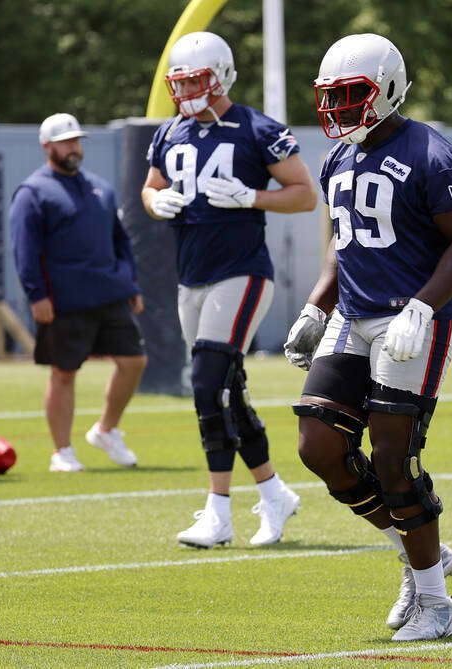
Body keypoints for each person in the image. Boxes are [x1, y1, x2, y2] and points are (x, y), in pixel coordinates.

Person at [285, 34, 452, 641]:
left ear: (390, 89)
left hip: (411, 322)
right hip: (353, 314)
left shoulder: (431, 153)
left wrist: (424, 307)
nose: (340, 110)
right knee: (318, 445)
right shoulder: (337, 159)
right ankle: (418, 548)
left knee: (393, 458)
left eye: (352, 95)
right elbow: (344, 241)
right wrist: (316, 305)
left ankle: (436, 604)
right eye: (332, 98)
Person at [141, 32, 317, 547]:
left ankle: (218, 512)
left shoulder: (257, 129)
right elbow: (150, 187)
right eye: (181, 82)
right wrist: (155, 204)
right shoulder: (169, 133)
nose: (188, 90)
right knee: (227, 390)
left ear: (221, 76)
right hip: (190, 276)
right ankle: (273, 494)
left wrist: (250, 197)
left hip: (241, 272)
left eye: (197, 79)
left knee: (205, 384)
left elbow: (305, 194)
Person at [11, 113, 148, 473]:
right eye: (65, 141)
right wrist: (36, 295)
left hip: (111, 294)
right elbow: (24, 250)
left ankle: (105, 430)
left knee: (134, 362)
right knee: (64, 373)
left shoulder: (99, 187)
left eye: (76, 140)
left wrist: (130, 284)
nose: (73, 147)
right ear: (47, 146)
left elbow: (121, 240)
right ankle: (62, 452)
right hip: (64, 301)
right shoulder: (33, 192)